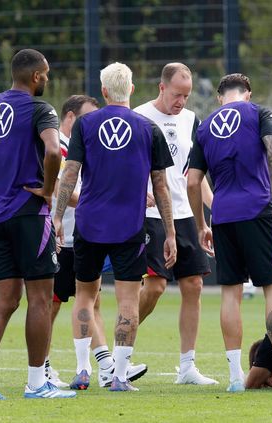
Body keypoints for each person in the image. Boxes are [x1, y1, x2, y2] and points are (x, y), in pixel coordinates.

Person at [54, 62, 177, 392]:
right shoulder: (149, 128)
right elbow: (161, 186)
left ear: (104, 91)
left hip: (90, 224)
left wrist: (55, 216)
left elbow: (69, 174)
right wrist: (171, 232)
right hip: (129, 227)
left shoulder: (85, 125)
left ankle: (82, 370)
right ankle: (119, 376)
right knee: (127, 301)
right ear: (132, 90)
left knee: (84, 296)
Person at [187, 73, 272, 392]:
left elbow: (191, 181)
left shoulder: (204, 127)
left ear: (220, 97)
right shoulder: (259, 113)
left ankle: (234, 379)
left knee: (231, 292)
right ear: (248, 93)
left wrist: (202, 223)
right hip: (257, 210)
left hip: (223, 216)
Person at [0, 48, 75, 399]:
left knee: (5, 299)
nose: (48, 79)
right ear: (36, 76)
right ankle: (37, 383)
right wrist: (48, 192)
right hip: (29, 214)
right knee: (39, 298)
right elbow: (53, 152)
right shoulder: (40, 109)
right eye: (46, 74)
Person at [50, 95, 147, 390]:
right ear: (70, 118)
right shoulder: (60, 148)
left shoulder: (83, 143)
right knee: (50, 304)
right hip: (64, 238)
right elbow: (62, 188)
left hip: (82, 232)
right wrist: (109, 199)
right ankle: (41, 366)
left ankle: (105, 366)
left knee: (92, 301)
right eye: (88, 117)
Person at [134, 63, 217, 386]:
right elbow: (126, 166)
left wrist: (211, 211)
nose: (181, 101)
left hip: (185, 215)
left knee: (193, 286)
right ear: (161, 87)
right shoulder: (140, 117)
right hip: (152, 216)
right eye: (176, 94)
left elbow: (194, 174)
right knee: (154, 287)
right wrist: (140, 193)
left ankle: (187, 367)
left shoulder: (191, 120)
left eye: (186, 95)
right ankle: (121, 347)